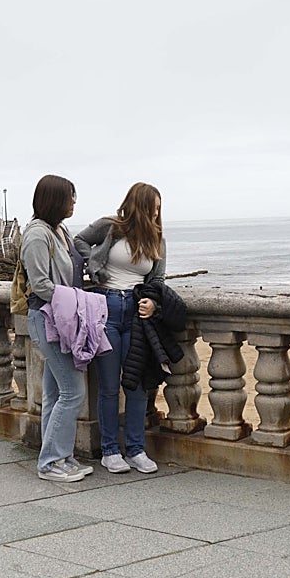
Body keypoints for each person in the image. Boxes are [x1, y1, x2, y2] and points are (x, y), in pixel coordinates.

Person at [74, 182, 166, 474]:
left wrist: (152, 302)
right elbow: (79, 241)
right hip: (106, 308)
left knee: (137, 384)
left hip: (138, 315)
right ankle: (111, 450)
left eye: (159, 208)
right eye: (153, 206)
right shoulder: (109, 227)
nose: (156, 213)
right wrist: (94, 266)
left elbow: (158, 282)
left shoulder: (158, 239)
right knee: (109, 385)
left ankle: (137, 449)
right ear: (139, 205)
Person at [22, 174, 92, 482]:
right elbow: (39, 285)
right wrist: (76, 301)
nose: (74, 202)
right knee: (73, 391)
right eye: (70, 196)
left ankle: (60, 456)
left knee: (54, 393)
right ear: (55, 200)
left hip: (63, 319)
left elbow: (79, 263)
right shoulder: (38, 235)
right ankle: (50, 462)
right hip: (48, 319)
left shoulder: (60, 230)